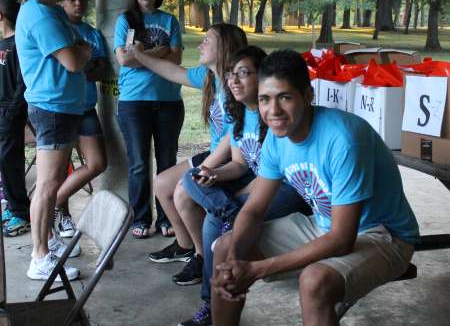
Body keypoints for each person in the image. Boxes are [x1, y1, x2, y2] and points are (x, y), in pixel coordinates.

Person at [211, 49, 419, 326]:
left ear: (308, 95)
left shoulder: (344, 139)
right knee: (225, 249)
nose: (273, 111)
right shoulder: (276, 137)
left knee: (315, 281)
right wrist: (236, 261)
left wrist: (257, 269)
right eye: (264, 99)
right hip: (323, 226)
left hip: (383, 235)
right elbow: (254, 209)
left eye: (285, 97)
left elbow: (342, 239)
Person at [176, 46, 311, 326]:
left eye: (243, 74)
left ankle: (211, 308)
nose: (234, 81)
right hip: (257, 184)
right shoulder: (241, 114)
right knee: (193, 178)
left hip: (286, 188)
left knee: (216, 221)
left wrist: (240, 195)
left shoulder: (275, 117)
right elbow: (238, 164)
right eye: (230, 75)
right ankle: (230, 217)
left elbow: (274, 176)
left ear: (261, 76)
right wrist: (212, 174)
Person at [128, 23, 247, 278]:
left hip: (231, 158)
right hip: (215, 153)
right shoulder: (209, 77)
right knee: (161, 184)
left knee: (182, 193)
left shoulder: (235, 85)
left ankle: (203, 258)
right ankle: (185, 246)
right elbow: (172, 70)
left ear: (224, 47)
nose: (200, 45)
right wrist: (140, 56)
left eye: (207, 40)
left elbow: (232, 138)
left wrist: (207, 167)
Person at [16, 0, 91, 281]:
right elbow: (75, 59)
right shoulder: (42, 16)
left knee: (52, 182)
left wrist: (81, 49)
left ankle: (47, 242)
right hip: (53, 108)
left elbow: (78, 45)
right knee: (47, 185)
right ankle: (39, 255)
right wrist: (84, 51)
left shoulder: (46, 11)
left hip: (61, 106)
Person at [114, 0, 185, 239]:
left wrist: (142, 54)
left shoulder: (170, 21)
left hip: (168, 101)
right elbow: (124, 59)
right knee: (139, 163)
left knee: (167, 160)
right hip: (134, 102)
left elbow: (177, 57)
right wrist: (161, 50)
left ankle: (167, 218)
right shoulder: (126, 21)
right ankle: (140, 218)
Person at [58, 0, 108, 237]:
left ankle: (51, 202)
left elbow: (100, 69)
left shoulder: (92, 33)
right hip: (62, 110)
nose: (78, 3)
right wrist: (81, 64)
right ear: (62, 1)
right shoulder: (57, 30)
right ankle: (63, 216)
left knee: (98, 163)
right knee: (58, 168)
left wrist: (82, 65)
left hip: (86, 108)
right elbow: (65, 68)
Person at [0, 0, 30, 237]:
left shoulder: (18, 44)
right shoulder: (1, 45)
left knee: (10, 162)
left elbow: (23, 83)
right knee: (4, 161)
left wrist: (10, 113)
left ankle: (20, 212)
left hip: (11, 113)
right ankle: (12, 206)